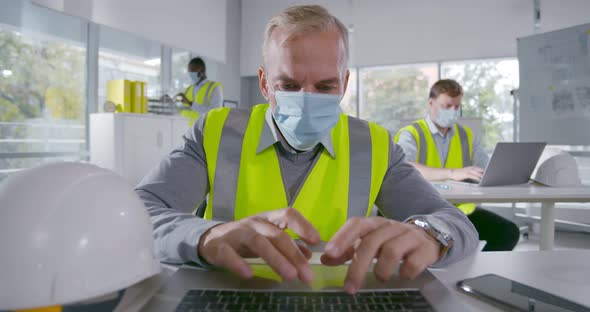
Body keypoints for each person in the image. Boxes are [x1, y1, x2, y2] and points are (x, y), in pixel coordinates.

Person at [136, 5, 478, 294]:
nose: (306, 98)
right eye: (289, 85)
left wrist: (429, 235)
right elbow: (138, 213)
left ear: (344, 84)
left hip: (340, 296)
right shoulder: (215, 131)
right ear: (265, 82)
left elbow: (452, 221)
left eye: (325, 85)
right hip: (230, 291)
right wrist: (205, 235)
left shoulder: (375, 144)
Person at [395, 79, 520, 251]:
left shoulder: (466, 135)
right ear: (431, 103)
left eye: (457, 106)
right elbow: (407, 168)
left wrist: (502, 172)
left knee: (508, 232)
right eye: (447, 106)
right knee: (444, 244)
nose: (453, 111)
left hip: (456, 211)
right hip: (421, 210)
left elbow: (484, 167)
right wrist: (453, 173)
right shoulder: (411, 134)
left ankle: (476, 274)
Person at [175, 57, 223, 124]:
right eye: (189, 71)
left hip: (207, 130)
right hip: (190, 130)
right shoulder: (189, 89)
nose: (191, 74)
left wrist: (190, 103)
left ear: (202, 72)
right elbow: (182, 111)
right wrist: (173, 102)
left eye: (193, 71)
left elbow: (214, 113)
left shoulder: (214, 88)